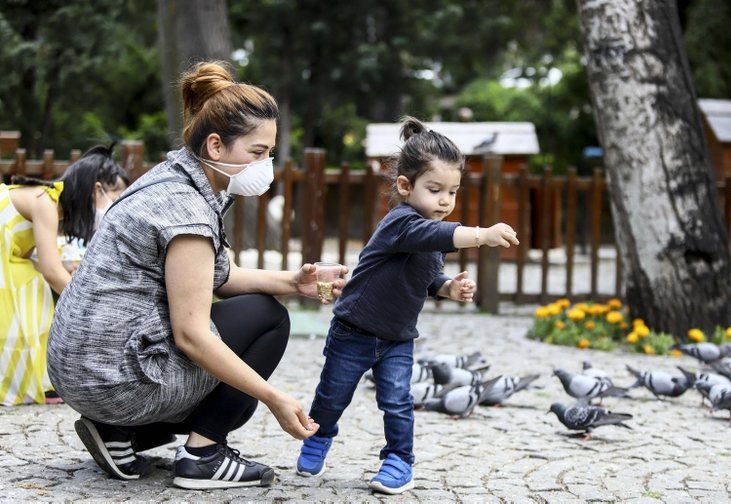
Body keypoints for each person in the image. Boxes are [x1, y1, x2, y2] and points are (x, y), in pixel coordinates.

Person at [47, 60, 346, 490]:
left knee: (260, 306)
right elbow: (191, 336)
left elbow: (220, 277)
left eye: (270, 153)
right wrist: (272, 397)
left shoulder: (172, 179)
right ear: (216, 146)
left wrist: (294, 283)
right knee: (268, 320)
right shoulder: (186, 211)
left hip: (81, 372)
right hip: (116, 379)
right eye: (258, 153)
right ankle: (203, 455)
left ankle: (119, 432)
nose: (266, 166)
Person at [295, 116, 520, 494]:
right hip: (354, 331)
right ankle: (319, 435)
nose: (445, 201)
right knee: (333, 395)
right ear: (404, 185)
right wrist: (482, 234)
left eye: (453, 191)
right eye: (435, 190)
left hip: (398, 339)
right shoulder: (401, 223)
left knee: (398, 401)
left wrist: (449, 288)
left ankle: (399, 460)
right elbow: (434, 234)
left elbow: (425, 275)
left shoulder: (429, 231)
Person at [0, 145, 128, 406]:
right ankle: (31, 378)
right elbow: (50, 271)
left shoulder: (51, 205)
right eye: (116, 197)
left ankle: (34, 378)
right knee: (33, 286)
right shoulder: (45, 202)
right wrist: (89, 306)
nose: (116, 207)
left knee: (32, 280)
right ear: (96, 190)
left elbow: (35, 260)